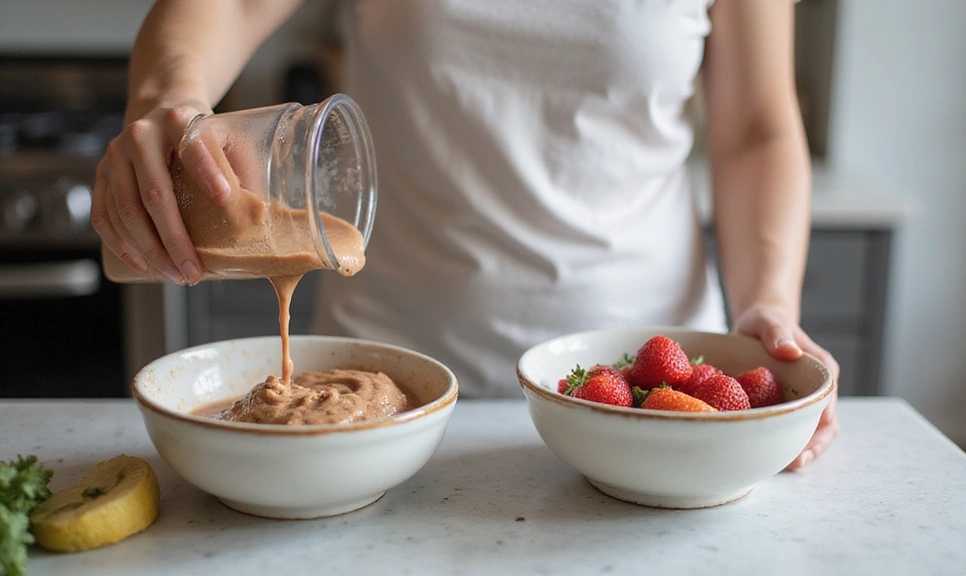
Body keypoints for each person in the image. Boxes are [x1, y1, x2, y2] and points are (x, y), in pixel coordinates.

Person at [91, 0, 839, 470]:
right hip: (387, 400)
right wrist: (171, 99)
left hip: (650, 403)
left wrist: (769, 301)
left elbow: (756, 128)